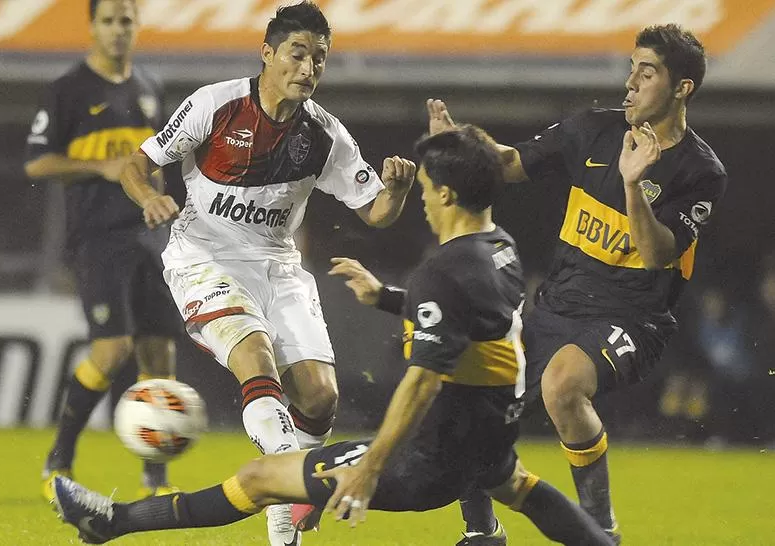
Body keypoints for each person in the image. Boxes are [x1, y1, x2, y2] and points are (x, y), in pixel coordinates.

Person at [51, 126, 614, 546]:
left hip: (428, 460)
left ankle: (112, 522)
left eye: (425, 186)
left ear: (445, 195)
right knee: (520, 487)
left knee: (258, 478)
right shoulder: (501, 248)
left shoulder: (442, 271)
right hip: (487, 440)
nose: (419, 196)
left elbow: (421, 385)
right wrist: (389, 299)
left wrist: (368, 469)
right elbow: (480, 325)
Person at [114, 3, 414, 544]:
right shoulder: (215, 105)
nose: (308, 69)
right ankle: (288, 483)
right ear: (268, 53)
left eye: (319, 60)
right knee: (256, 357)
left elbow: (375, 212)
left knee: (322, 398)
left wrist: (396, 191)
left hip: (278, 267)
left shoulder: (325, 135)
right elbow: (136, 165)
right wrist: (148, 197)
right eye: (298, 55)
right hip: (203, 259)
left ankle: (285, 496)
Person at [428, 24, 728, 543]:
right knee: (460, 374)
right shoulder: (592, 128)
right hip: (555, 306)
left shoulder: (700, 171)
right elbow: (512, 163)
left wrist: (634, 182)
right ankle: (483, 533)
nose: (630, 81)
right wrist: (459, 144)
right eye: (632, 67)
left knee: (563, 385)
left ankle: (600, 529)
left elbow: (658, 253)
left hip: (633, 318)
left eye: (648, 71)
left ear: (683, 88)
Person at [24, 0, 182, 500]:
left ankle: (154, 476)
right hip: (98, 238)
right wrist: (100, 168)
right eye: (109, 21)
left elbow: (155, 160)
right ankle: (60, 457)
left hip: (150, 237)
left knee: (160, 353)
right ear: (92, 27)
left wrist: (160, 190)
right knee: (113, 350)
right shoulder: (68, 90)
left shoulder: (151, 88)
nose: (118, 30)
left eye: (126, 21)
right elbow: (36, 164)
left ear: (138, 26)